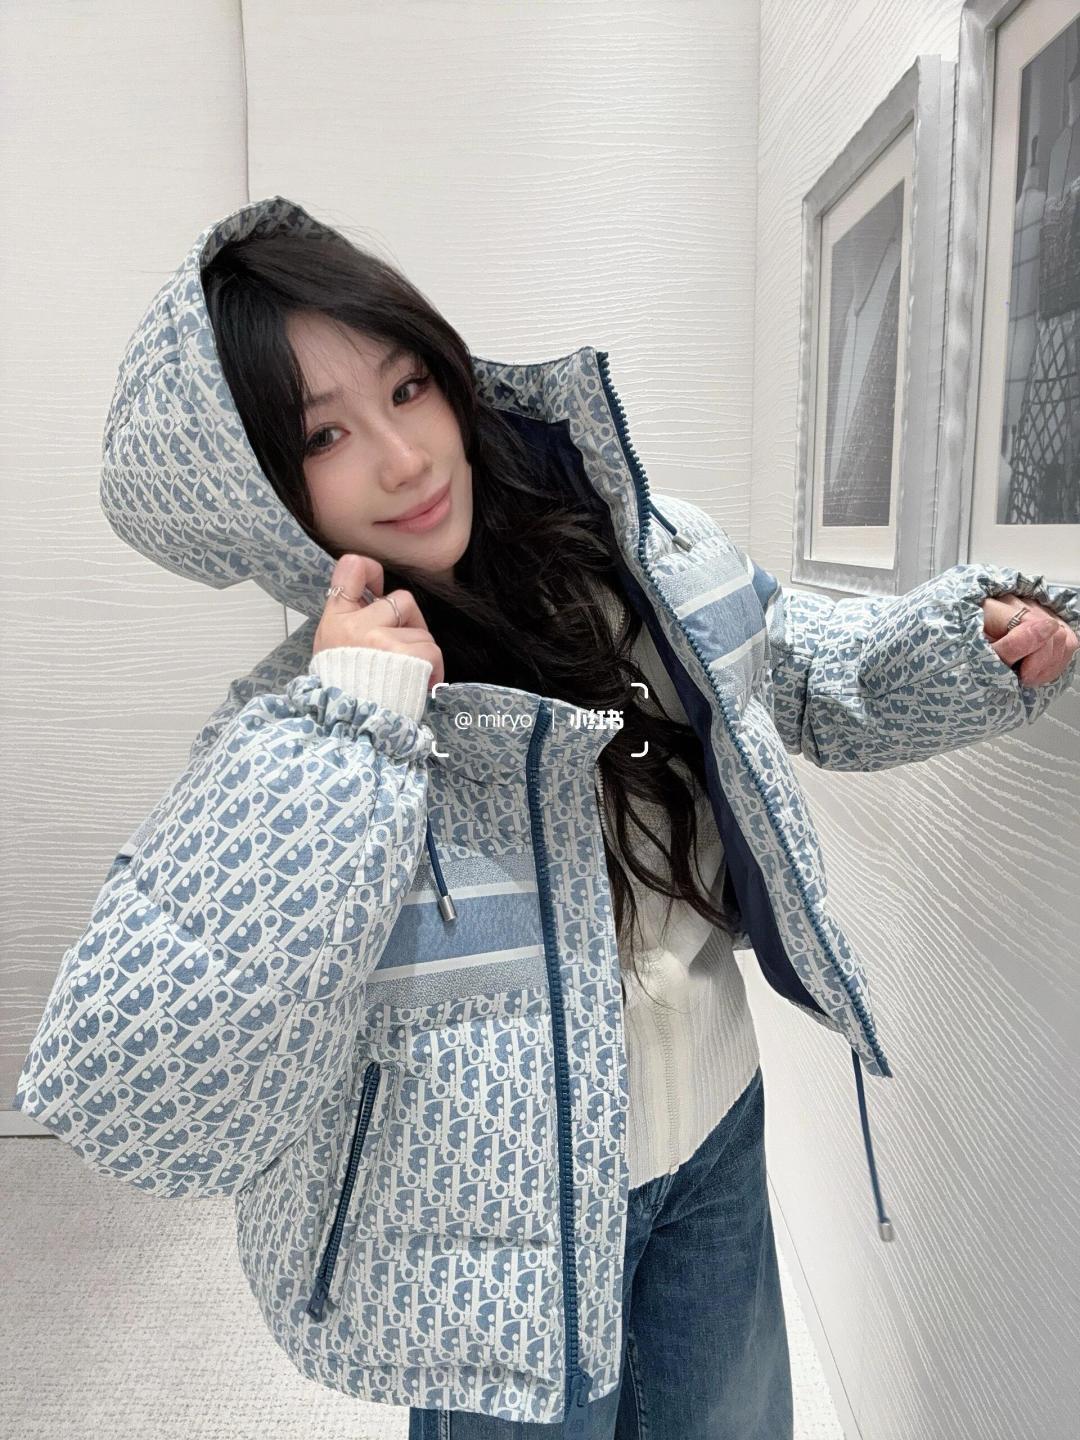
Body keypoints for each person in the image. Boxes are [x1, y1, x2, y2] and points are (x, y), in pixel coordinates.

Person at [14, 195, 1080, 1440]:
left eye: (408, 387)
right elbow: (148, 1096)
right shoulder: (304, 726)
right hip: (499, 1228)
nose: (404, 458)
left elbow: (791, 666)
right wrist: (352, 728)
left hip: (718, 1137)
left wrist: (967, 644)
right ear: (259, 491)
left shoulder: (643, 554)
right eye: (323, 435)